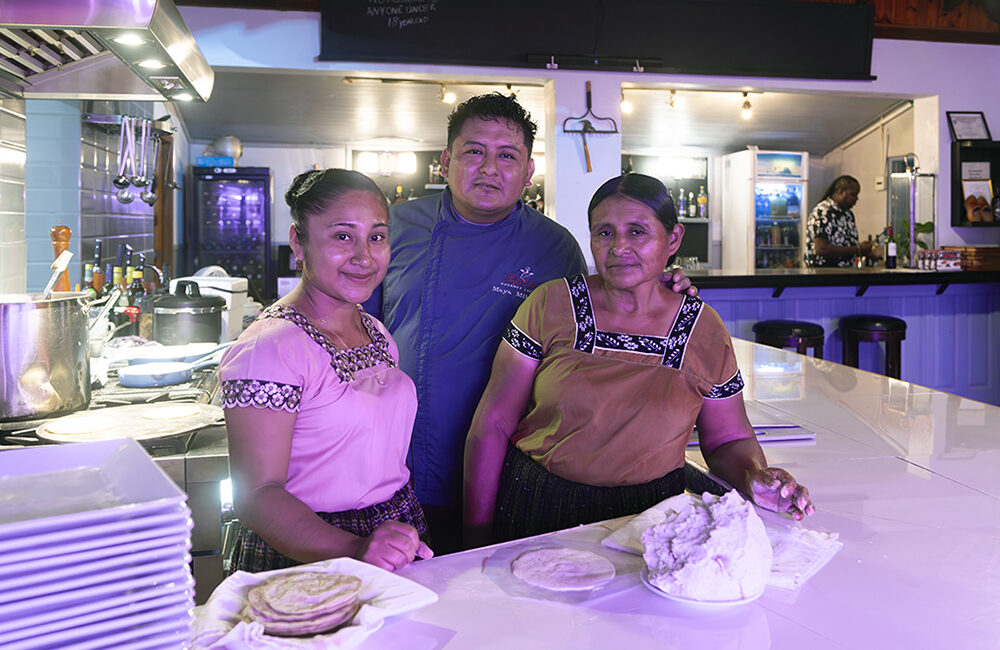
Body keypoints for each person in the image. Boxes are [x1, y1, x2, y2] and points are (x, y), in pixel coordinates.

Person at [363, 93, 696, 553]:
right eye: (473, 152)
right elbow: (351, 331)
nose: (489, 168)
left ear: (528, 172)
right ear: (445, 161)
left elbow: (606, 319)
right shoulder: (392, 228)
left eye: (507, 156)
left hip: (507, 469)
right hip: (395, 465)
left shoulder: (553, 247)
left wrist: (663, 285)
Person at [464, 173, 813, 546]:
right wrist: (476, 534)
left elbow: (728, 438)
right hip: (539, 508)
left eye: (637, 231)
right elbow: (494, 422)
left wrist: (754, 476)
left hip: (650, 519)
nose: (618, 248)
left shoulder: (702, 329)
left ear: (673, 239)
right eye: (604, 233)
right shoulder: (551, 304)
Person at [220, 168, 432, 574]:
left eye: (376, 236)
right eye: (342, 236)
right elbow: (256, 494)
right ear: (299, 242)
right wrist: (354, 547)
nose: (364, 256)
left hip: (394, 534)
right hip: (311, 548)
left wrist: (382, 540)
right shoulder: (270, 348)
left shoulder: (375, 332)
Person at [804, 175, 879, 267]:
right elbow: (822, 249)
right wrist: (858, 249)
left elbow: (846, 246)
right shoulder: (823, 212)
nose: (856, 199)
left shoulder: (848, 215)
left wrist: (865, 251)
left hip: (844, 273)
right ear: (841, 192)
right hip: (823, 275)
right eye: (853, 194)